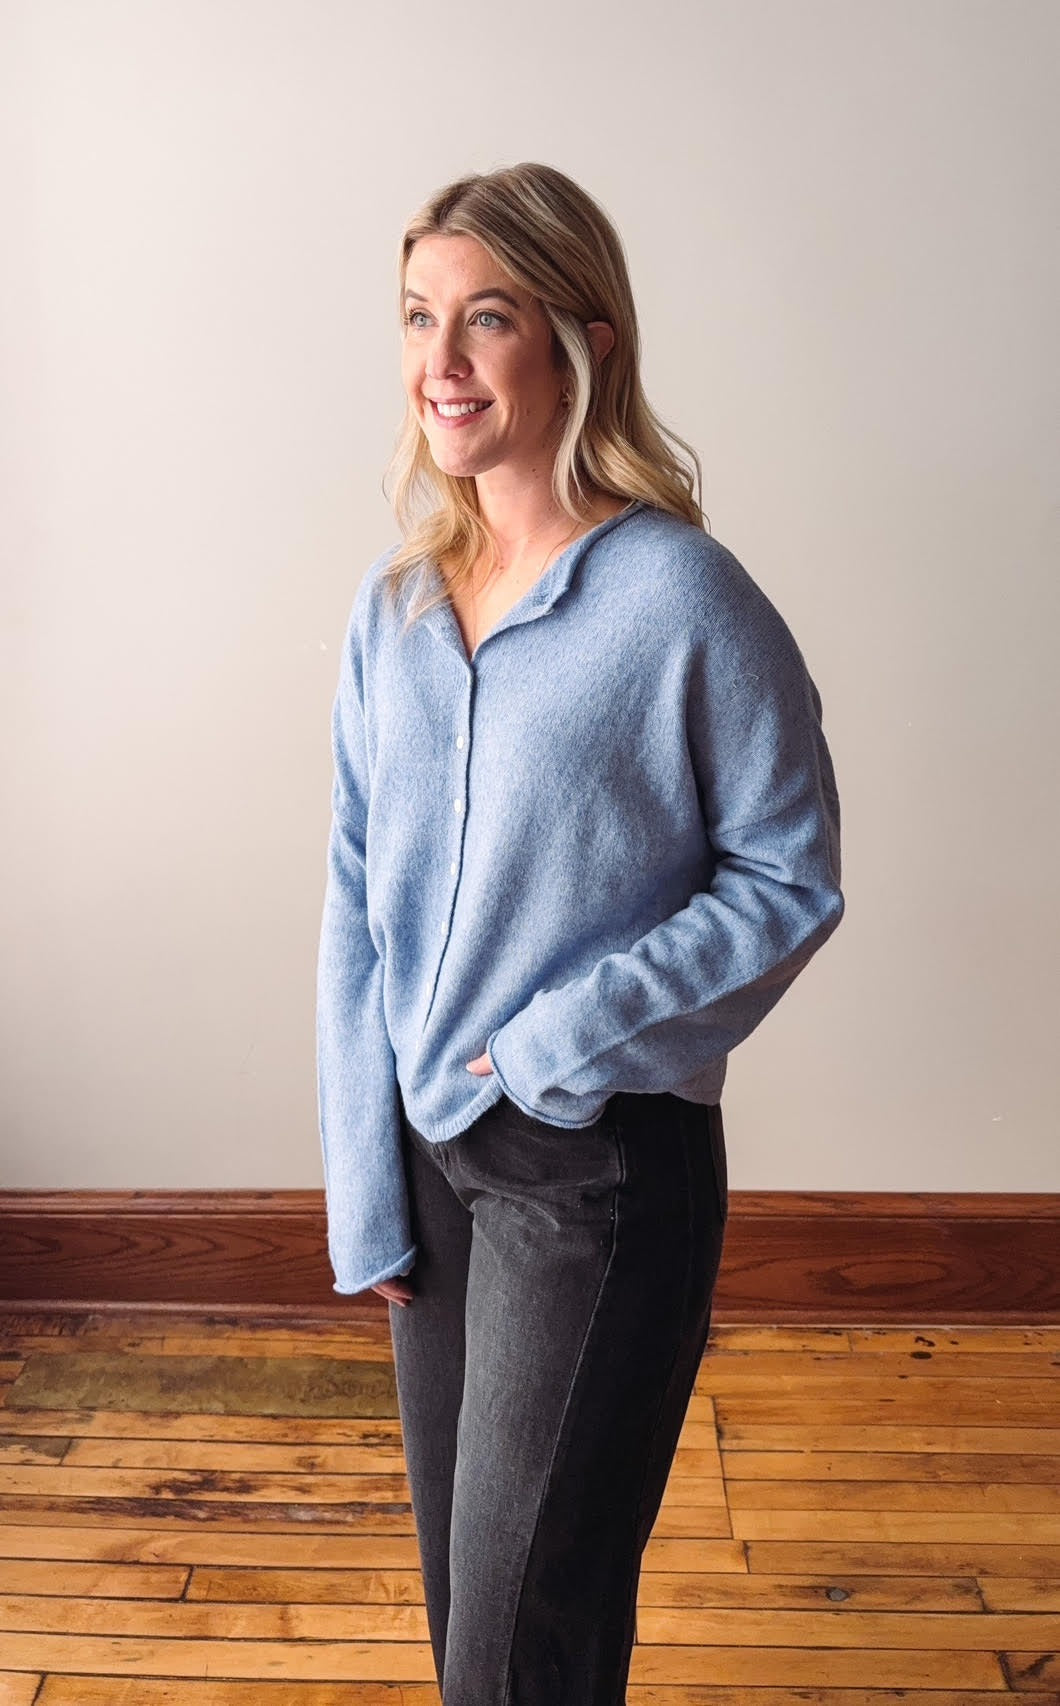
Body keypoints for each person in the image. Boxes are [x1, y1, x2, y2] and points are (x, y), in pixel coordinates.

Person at [315, 161, 845, 1705]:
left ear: (579, 343)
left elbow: (789, 875)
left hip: (595, 1166)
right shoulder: (395, 611)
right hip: (433, 1162)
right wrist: (369, 1181)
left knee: (515, 1642)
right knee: (474, 1619)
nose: (444, 364)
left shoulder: (683, 598)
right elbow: (356, 898)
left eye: (489, 319)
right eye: (421, 319)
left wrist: (555, 1040)